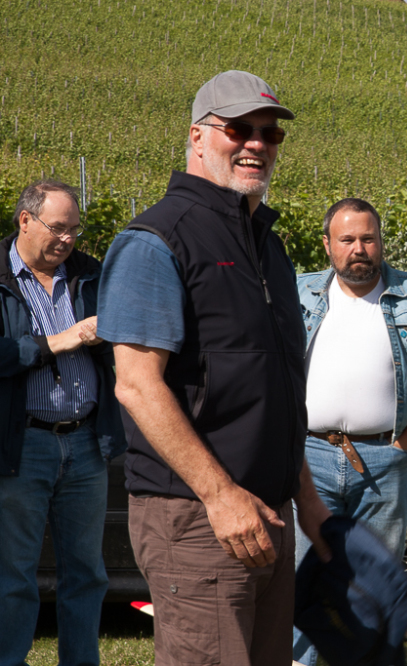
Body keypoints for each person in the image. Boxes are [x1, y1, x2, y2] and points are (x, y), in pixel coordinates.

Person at [96, 71, 331, 666]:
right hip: (199, 515)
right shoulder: (157, 239)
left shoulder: (268, 245)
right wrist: (220, 495)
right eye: (239, 129)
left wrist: (307, 500)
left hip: (268, 513)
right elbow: (136, 385)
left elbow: (270, 396)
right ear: (198, 136)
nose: (257, 143)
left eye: (270, 133)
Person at [293, 197, 407, 665]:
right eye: (347, 239)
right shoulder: (300, 293)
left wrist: (406, 442)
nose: (359, 249)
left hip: (384, 464)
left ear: (381, 243)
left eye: (368, 239)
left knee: (374, 585)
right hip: (309, 460)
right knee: (301, 578)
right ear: (327, 245)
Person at [0, 180, 125, 666]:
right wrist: (58, 341)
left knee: (87, 574)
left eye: (75, 229)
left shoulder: (91, 275)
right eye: (58, 228)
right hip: (22, 444)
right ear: (25, 220)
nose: (68, 239)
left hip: (86, 443)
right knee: (14, 576)